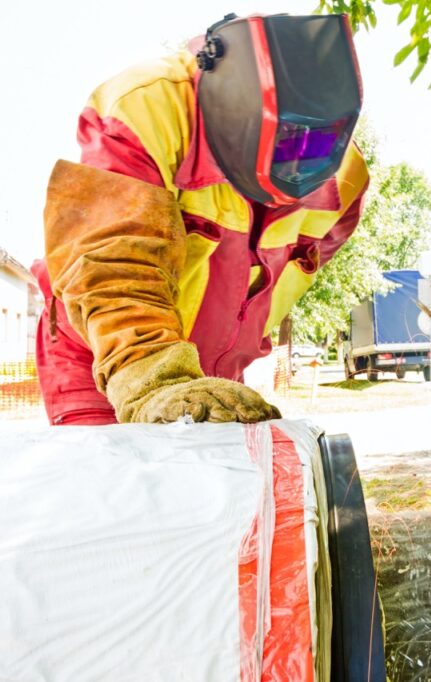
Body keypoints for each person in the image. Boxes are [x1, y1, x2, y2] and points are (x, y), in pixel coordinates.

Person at [35, 13, 368, 425]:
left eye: (313, 147)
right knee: (109, 481)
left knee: (210, 482)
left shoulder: (345, 177)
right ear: (235, 108)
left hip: (211, 366)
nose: (298, 161)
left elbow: (274, 283)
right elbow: (113, 262)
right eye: (283, 141)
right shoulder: (146, 107)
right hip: (103, 353)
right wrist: (152, 377)